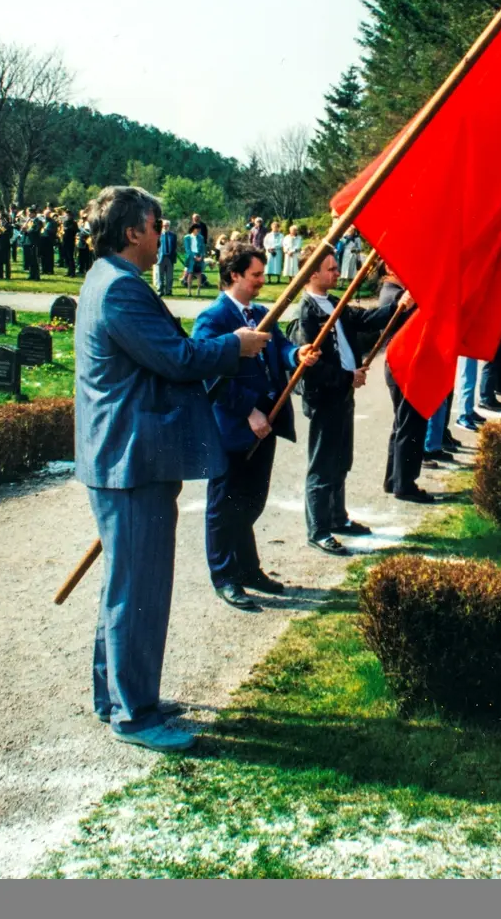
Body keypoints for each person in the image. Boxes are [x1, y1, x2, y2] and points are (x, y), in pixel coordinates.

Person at [74, 186, 271, 753]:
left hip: (124, 457)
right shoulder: (121, 289)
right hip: (132, 460)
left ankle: (116, 695)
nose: (164, 236)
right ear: (133, 231)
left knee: (124, 587)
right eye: (157, 226)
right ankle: (135, 714)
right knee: (139, 590)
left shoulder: (105, 280)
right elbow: (179, 358)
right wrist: (235, 345)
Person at [193, 243, 320, 610]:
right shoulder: (213, 320)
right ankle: (224, 576)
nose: (262, 282)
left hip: (268, 421)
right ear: (234, 275)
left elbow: (277, 347)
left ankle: (249, 569)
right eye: (256, 275)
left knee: (250, 502)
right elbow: (210, 374)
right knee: (224, 504)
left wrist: (297, 354)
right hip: (235, 428)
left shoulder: (262, 313)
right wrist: (248, 410)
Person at [297, 248, 402, 554]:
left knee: (341, 459)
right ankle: (318, 529)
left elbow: (366, 319)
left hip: (343, 394)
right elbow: (312, 368)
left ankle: (337, 516)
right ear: (313, 273)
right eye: (330, 269)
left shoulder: (334, 303)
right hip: (325, 397)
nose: (337, 273)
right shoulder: (308, 312)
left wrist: (400, 305)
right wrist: (347, 376)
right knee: (322, 463)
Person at [379, 271, 436, 502]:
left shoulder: (394, 293)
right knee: (409, 426)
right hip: (403, 367)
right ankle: (404, 483)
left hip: (401, 366)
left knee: (402, 425)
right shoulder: (395, 295)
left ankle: (394, 479)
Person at [183, 222, 206, 296]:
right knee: (190, 274)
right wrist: (194, 256)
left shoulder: (201, 237)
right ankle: (189, 291)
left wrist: (201, 256)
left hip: (199, 256)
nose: (198, 231)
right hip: (191, 257)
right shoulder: (187, 237)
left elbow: (203, 248)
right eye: (197, 229)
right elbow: (187, 249)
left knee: (199, 274)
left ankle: (198, 291)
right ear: (193, 229)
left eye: (199, 230)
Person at [156, 219, 178, 296]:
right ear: (162, 226)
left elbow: (175, 247)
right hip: (160, 257)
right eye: (164, 225)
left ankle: (168, 291)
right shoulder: (157, 235)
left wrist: (174, 257)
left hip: (170, 258)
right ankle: (160, 290)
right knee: (160, 275)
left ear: (169, 226)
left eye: (167, 225)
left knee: (169, 276)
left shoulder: (173, 235)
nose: (165, 227)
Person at [21, 207, 42, 281]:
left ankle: (37, 276)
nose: (29, 214)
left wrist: (26, 229)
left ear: (34, 214)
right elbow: (24, 231)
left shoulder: (38, 221)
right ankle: (31, 274)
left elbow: (35, 230)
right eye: (28, 213)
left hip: (34, 242)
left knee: (35, 259)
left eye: (30, 213)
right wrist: (23, 229)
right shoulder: (28, 221)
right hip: (27, 242)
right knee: (30, 259)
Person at [0, 208, 12, 280]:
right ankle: (0, 274)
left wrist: (1, 232)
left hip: (5, 244)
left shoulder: (8, 225)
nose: (0, 219)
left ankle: (8, 275)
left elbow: (10, 234)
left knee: (7, 261)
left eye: (1, 218)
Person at [61, 210, 79, 278]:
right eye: (66, 215)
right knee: (66, 257)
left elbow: (74, 230)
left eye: (68, 215)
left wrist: (67, 228)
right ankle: (68, 271)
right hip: (65, 240)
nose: (66, 216)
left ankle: (72, 272)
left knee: (70, 257)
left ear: (71, 216)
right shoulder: (65, 222)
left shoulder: (74, 223)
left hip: (70, 241)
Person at [40, 208, 58, 276]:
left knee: (49, 256)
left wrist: (47, 230)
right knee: (43, 255)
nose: (45, 215)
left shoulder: (53, 222)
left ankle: (50, 270)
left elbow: (54, 231)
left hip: (49, 240)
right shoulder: (43, 221)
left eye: (47, 214)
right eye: (45, 214)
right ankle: (44, 269)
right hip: (42, 239)